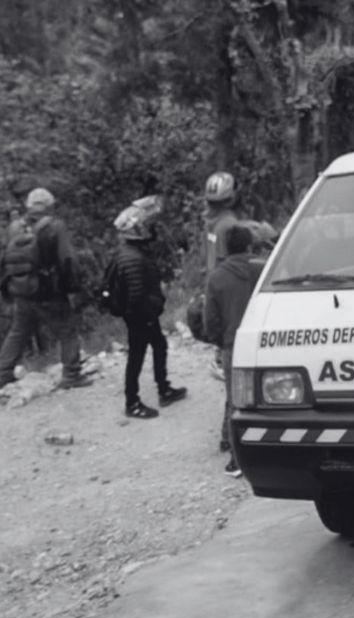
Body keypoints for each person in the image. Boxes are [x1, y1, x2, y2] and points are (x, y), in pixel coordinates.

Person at [0, 188, 91, 389]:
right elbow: (68, 259)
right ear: (50, 206)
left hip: (21, 291)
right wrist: (74, 286)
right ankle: (72, 375)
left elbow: (3, 259)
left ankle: (2, 374)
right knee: (67, 330)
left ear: (28, 206)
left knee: (18, 331)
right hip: (49, 292)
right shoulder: (55, 226)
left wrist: (4, 287)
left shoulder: (14, 227)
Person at [113, 196, 187, 418]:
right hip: (140, 315)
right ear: (139, 230)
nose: (153, 230)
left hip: (141, 314)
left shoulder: (131, 252)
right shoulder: (134, 258)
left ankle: (164, 388)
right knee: (136, 356)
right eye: (149, 226)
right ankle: (132, 402)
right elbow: (136, 294)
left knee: (159, 346)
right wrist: (149, 312)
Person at [204, 225, 265, 477]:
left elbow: (211, 322)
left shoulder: (217, 277)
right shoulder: (263, 269)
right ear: (250, 245)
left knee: (235, 398)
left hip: (233, 344)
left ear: (226, 249)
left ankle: (235, 456)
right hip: (263, 341)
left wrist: (221, 342)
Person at [202, 171, 240, 382]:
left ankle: (220, 358)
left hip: (213, 282)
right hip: (226, 287)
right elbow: (229, 260)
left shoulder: (210, 223)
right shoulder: (229, 224)